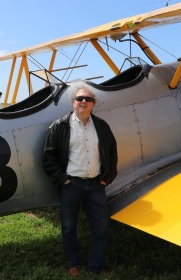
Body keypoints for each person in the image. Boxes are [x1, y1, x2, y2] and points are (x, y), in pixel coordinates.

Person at [42, 85, 118, 277]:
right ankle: (73, 262)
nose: (83, 102)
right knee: (68, 228)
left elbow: (112, 153)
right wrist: (63, 180)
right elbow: (48, 157)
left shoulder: (102, 126)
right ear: (73, 102)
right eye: (79, 99)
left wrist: (107, 179)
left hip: (95, 185)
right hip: (71, 185)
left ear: (93, 104)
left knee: (101, 228)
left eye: (88, 99)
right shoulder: (60, 126)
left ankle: (97, 265)